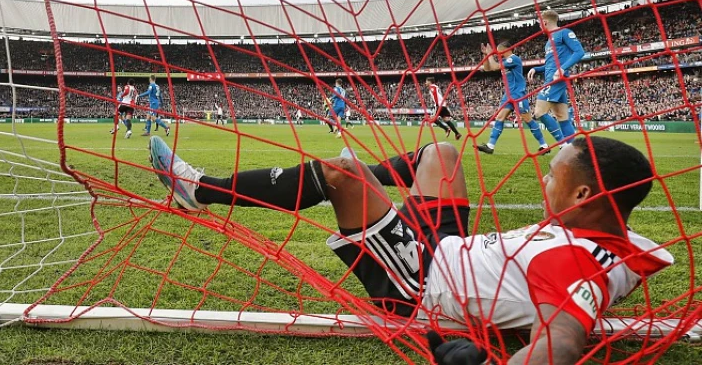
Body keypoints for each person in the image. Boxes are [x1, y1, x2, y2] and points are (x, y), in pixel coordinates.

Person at [149, 135, 672, 364]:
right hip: (451, 247)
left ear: (584, 196)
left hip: (423, 281)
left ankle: (201, 190)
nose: (543, 178)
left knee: (342, 173)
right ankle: (369, 191)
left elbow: (560, 341)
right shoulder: (610, 237)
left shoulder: (574, 262)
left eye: (553, 174)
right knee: (440, 153)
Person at [476, 40, 549, 154]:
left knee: (528, 120)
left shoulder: (513, 59)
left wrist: (490, 55)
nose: (498, 53)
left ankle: (544, 145)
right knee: (499, 117)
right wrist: (486, 55)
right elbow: (487, 68)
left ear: (508, 49)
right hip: (508, 95)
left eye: (500, 50)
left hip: (518, 94)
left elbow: (494, 66)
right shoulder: (504, 60)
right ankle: (490, 146)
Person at [527, 10, 585, 146]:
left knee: (539, 112)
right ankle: (574, 152)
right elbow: (550, 64)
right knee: (562, 117)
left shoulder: (564, 33)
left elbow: (580, 52)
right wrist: (536, 69)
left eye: (539, 23)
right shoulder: (549, 41)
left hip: (556, 80)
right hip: (552, 78)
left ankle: (563, 146)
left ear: (545, 22)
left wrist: (563, 68)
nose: (539, 26)